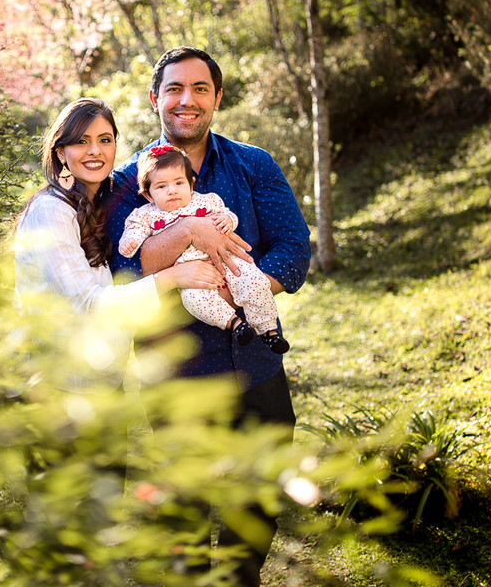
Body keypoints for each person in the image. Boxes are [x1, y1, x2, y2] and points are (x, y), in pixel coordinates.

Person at [105, 47, 311, 587]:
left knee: (260, 487)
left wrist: (241, 286)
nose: (186, 100)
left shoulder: (253, 164)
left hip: (256, 360)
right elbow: (125, 271)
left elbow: (292, 247)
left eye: (200, 88)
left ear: (217, 97)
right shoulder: (127, 182)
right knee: (185, 501)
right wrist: (188, 234)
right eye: (174, 89)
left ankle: (243, 578)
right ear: (155, 99)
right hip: (176, 369)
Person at [12, 97, 223, 330]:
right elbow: (89, 305)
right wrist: (173, 276)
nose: (95, 151)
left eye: (105, 140)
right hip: (61, 363)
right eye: (81, 141)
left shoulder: (105, 202)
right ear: (61, 152)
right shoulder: (51, 210)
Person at [118, 143, 290, 354]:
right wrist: (130, 242)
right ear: (148, 195)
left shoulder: (207, 201)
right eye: (161, 186)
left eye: (179, 183)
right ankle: (235, 324)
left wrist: (228, 220)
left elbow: (227, 215)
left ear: (191, 184)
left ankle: (268, 329)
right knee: (194, 300)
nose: (172, 191)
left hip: (228, 262)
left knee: (254, 280)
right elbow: (133, 231)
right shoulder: (145, 214)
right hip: (193, 277)